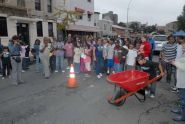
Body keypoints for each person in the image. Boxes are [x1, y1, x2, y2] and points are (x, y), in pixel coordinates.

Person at [171, 38, 185, 121]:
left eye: (184, 46)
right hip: (181, 80)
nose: (183, 48)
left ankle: (183, 116)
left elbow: (183, 67)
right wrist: (176, 61)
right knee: (182, 97)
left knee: (184, 98)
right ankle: (181, 110)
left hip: (184, 82)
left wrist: (175, 63)